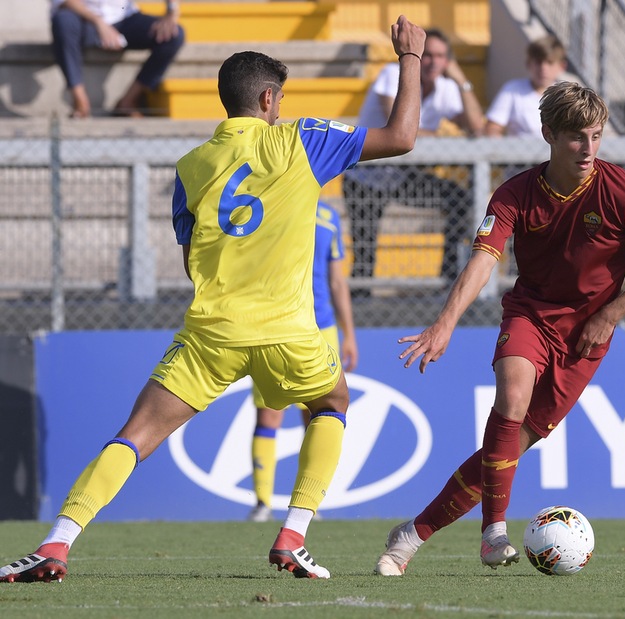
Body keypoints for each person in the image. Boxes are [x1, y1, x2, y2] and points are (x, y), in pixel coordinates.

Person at [0, 15, 425, 583]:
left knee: (135, 435)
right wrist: (410, 59)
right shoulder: (302, 141)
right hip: (289, 331)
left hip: (213, 331)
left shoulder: (191, 167)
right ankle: (292, 535)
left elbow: (189, 259)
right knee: (330, 405)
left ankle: (56, 544)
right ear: (269, 98)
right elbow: (401, 138)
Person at [373, 82, 625, 575]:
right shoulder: (515, 192)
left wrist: (611, 313)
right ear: (548, 134)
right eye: (577, 137)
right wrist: (444, 323)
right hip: (530, 315)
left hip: (585, 338)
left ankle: (411, 535)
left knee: (504, 451)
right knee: (511, 400)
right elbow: (481, 262)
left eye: (596, 136)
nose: (588, 148)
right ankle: (493, 533)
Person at [342, 28, 485, 287]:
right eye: (427, 55)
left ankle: (448, 281)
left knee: (460, 200)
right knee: (364, 253)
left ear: (448, 61)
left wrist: (461, 80)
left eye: (441, 56)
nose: (433, 62)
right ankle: (361, 308)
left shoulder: (447, 87)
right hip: (365, 176)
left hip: (401, 176)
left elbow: (476, 127)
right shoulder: (392, 74)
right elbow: (395, 126)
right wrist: (439, 135)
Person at [247, 200, 359, 523]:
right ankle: (262, 502)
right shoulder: (269, 204)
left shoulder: (328, 216)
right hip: (275, 324)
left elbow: (337, 279)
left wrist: (348, 332)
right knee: (269, 414)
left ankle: (306, 504)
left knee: (318, 415)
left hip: (321, 327)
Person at [50, 0, 185, 118]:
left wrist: (171, 11)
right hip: (84, 19)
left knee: (174, 34)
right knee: (62, 21)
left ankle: (128, 101)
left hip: (124, 18)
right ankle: (80, 100)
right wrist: (99, 23)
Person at [483, 34, 567, 138]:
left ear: (562, 66)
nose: (543, 68)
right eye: (538, 62)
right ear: (528, 63)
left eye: (550, 63)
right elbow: (492, 128)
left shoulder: (566, 95)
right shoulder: (512, 90)